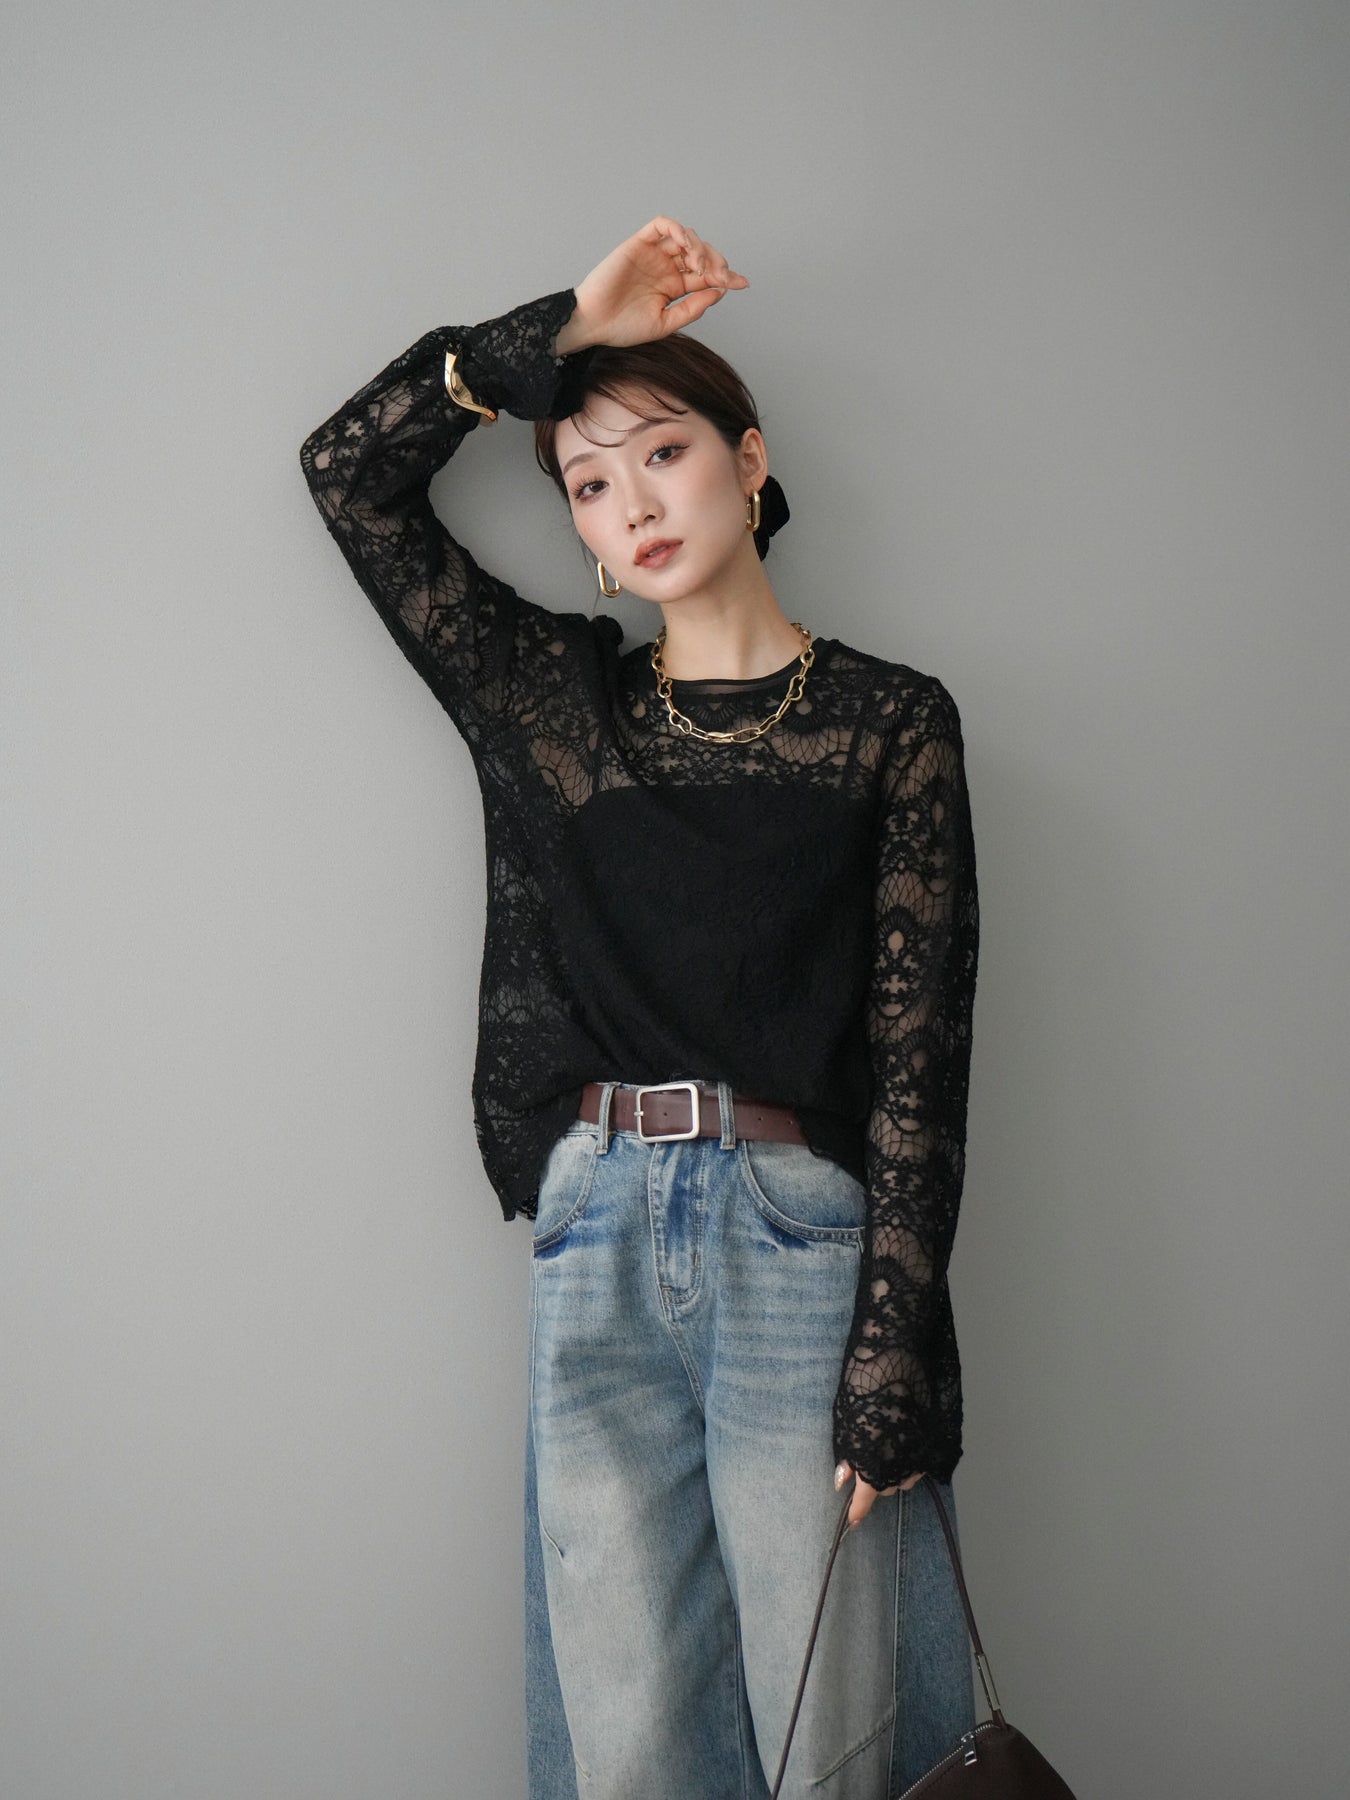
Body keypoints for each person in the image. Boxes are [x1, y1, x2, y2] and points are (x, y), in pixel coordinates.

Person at [299, 215, 981, 1800]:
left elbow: (920, 1062)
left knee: (833, 1730)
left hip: (798, 1238)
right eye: (589, 485)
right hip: (597, 1225)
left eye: (661, 453)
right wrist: (556, 331)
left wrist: (893, 1339)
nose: (634, 504)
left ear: (748, 462)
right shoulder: (556, 705)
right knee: (628, 1742)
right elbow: (347, 471)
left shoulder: (889, 723)